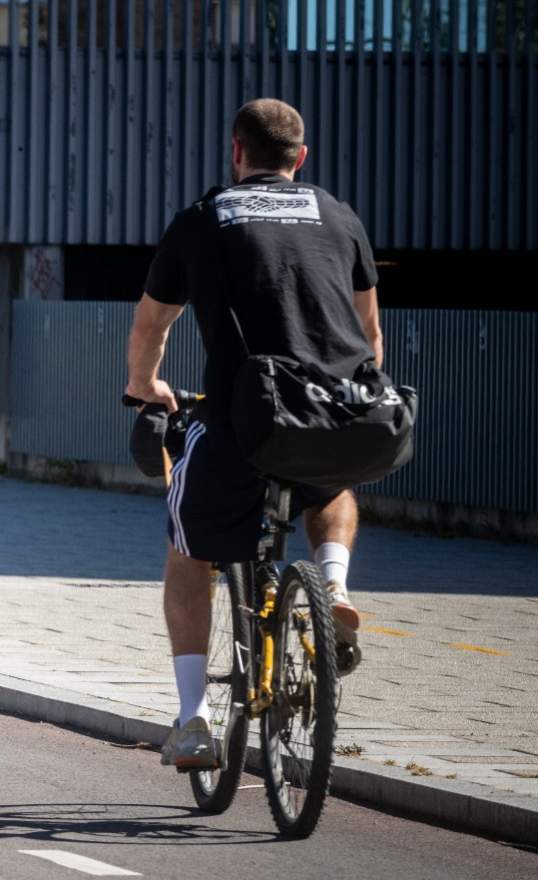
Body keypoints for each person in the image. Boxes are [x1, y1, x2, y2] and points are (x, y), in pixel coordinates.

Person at [125, 98, 383, 770]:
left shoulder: (202, 219)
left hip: (243, 418)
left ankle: (191, 719)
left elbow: (151, 324)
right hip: (335, 410)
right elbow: (369, 333)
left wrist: (145, 386)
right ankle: (333, 585)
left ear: (236, 151)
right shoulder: (339, 216)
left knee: (187, 548)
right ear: (301, 157)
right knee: (331, 482)